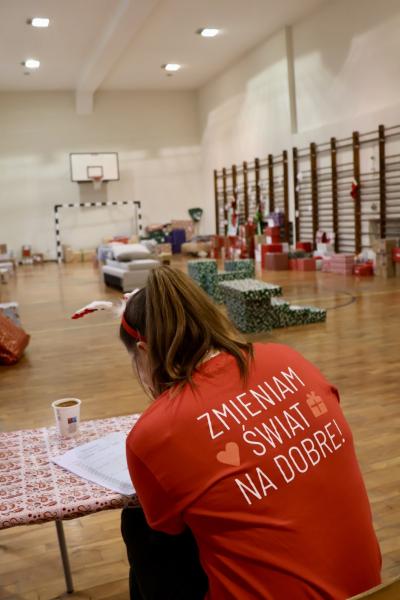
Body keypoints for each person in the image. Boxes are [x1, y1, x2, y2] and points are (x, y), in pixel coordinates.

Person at [120, 266, 381, 600]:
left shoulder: (154, 432)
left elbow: (168, 533)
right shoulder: (288, 359)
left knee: (139, 523)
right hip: (371, 589)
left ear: (144, 351)